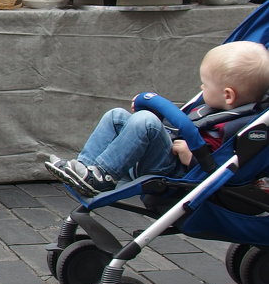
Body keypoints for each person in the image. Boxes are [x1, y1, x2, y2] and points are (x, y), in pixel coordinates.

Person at [46, 41, 269, 196]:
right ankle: (87, 168)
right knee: (116, 116)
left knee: (146, 121)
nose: (201, 88)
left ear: (228, 95)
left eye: (206, 84)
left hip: (177, 174)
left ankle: (103, 176)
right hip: (168, 156)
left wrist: (190, 156)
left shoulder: (233, 126)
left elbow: (219, 166)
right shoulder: (213, 109)